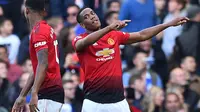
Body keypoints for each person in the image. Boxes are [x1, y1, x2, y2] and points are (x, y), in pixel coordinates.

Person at [72, 7, 189, 112]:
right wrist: (109, 28)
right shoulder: (80, 39)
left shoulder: (113, 35)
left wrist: (167, 24)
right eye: (86, 17)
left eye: (92, 13)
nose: (92, 16)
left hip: (118, 101)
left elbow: (141, 35)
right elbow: (85, 42)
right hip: (94, 101)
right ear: (83, 25)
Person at [12, 0, 64, 112]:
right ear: (44, 11)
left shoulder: (39, 31)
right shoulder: (47, 29)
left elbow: (43, 63)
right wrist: (22, 95)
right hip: (51, 89)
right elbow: (38, 67)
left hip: (48, 90)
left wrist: (34, 93)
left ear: (26, 10)